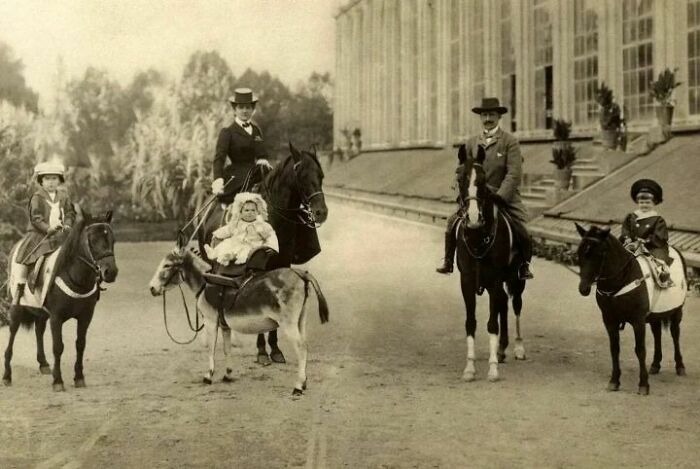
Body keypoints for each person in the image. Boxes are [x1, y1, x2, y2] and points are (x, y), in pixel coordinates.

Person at [436, 97, 534, 280]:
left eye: (492, 115)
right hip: (475, 197)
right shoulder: (471, 142)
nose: (488, 118)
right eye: (485, 115)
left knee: (523, 228)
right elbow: (461, 172)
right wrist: (462, 193)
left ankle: (523, 265)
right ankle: (448, 261)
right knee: (451, 223)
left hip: (502, 196)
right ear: (480, 118)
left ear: (499, 117)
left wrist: (500, 195)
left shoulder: (509, 141)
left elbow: (514, 173)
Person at [14, 161, 76, 303]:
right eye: (47, 179)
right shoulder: (37, 197)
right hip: (40, 234)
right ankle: (20, 284)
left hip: (60, 234)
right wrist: (48, 228)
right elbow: (36, 218)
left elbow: (70, 213)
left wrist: (67, 225)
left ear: (59, 181)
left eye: (54, 178)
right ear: (41, 181)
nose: (51, 182)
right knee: (27, 253)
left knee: (78, 250)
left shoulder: (64, 196)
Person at [211, 88, 272, 202]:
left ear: (253, 109)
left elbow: (261, 153)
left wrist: (263, 160)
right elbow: (219, 158)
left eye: (248, 107)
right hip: (237, 175)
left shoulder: (256, 130)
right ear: (235, 110)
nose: (245, 111)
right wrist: (218, 179)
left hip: (255, 172)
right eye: (241, 107)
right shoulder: (227, 132)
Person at [620, 179, 672, 285]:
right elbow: (626, 228)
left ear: (654, 203)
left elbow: (660, 236)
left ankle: (662, 274)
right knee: (618, 254)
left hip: (651, 245)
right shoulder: (632, 216)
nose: (644, 205)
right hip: (632, 243)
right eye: (641, 202)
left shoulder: (657, 219)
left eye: (648, 203)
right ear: (637, 202)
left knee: (658, 258)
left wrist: (645, 241)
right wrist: (627, 237)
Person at [204, 192, 278, 266]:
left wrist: (272, 247)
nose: (250, 213)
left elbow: (270, 236)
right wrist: (217, 235)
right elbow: (228, 230)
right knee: (225, 246)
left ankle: (230, 257)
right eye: (246, 210)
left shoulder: (261, 225)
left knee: (244, 252)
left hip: (251, 246)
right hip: (236, 243)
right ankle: (215, 254)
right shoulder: (237, 223)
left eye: (253, 210)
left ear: (258, 212)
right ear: (241, 212)